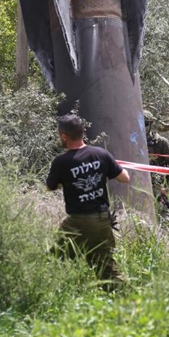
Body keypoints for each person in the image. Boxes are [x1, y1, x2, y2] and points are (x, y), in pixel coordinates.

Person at [46, 114, 130, 291]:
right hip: (102, 219)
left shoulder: (61, 162)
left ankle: (53, 293)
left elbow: (50, 187)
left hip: (78, 221)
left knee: (54, 258)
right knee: (105, 266)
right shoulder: (100, 153)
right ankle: (126, 299)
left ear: (64, 136)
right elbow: (125, 178)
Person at [144, 109, 169, 225]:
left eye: (146, 123)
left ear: (150, 125)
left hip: (157, 186)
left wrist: (166, 189)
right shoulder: (132, 142)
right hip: (138, 184)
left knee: (163, 217)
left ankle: (167, 239)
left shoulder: (161, 142)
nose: (143, 127)